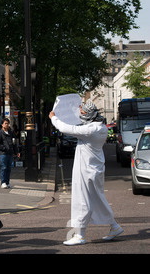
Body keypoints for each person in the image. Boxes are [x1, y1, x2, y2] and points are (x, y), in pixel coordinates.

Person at [49, 100, 123, 246]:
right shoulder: (100, 127)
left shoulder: (90, 130)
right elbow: (79, 122)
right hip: (94, 168)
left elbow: (66, 128)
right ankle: (115, 227)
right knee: (97, 199)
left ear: (89, 115)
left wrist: (53, 118)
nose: (81, 114)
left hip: (86, 170)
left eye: (83, 112)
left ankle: (80, 235)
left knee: (82, 201)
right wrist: (76, 108)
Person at [0, 117, 19, 189]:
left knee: (9, 168)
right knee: (4, 168)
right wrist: (4, 148)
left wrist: (16, 151)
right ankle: (3, 182)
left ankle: (7, 182)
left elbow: (14, 142)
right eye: (5, 123)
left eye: (8, 123)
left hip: (10, 153)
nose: (7, 125)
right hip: (3, 153)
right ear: (2, 124)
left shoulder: (11, 133)